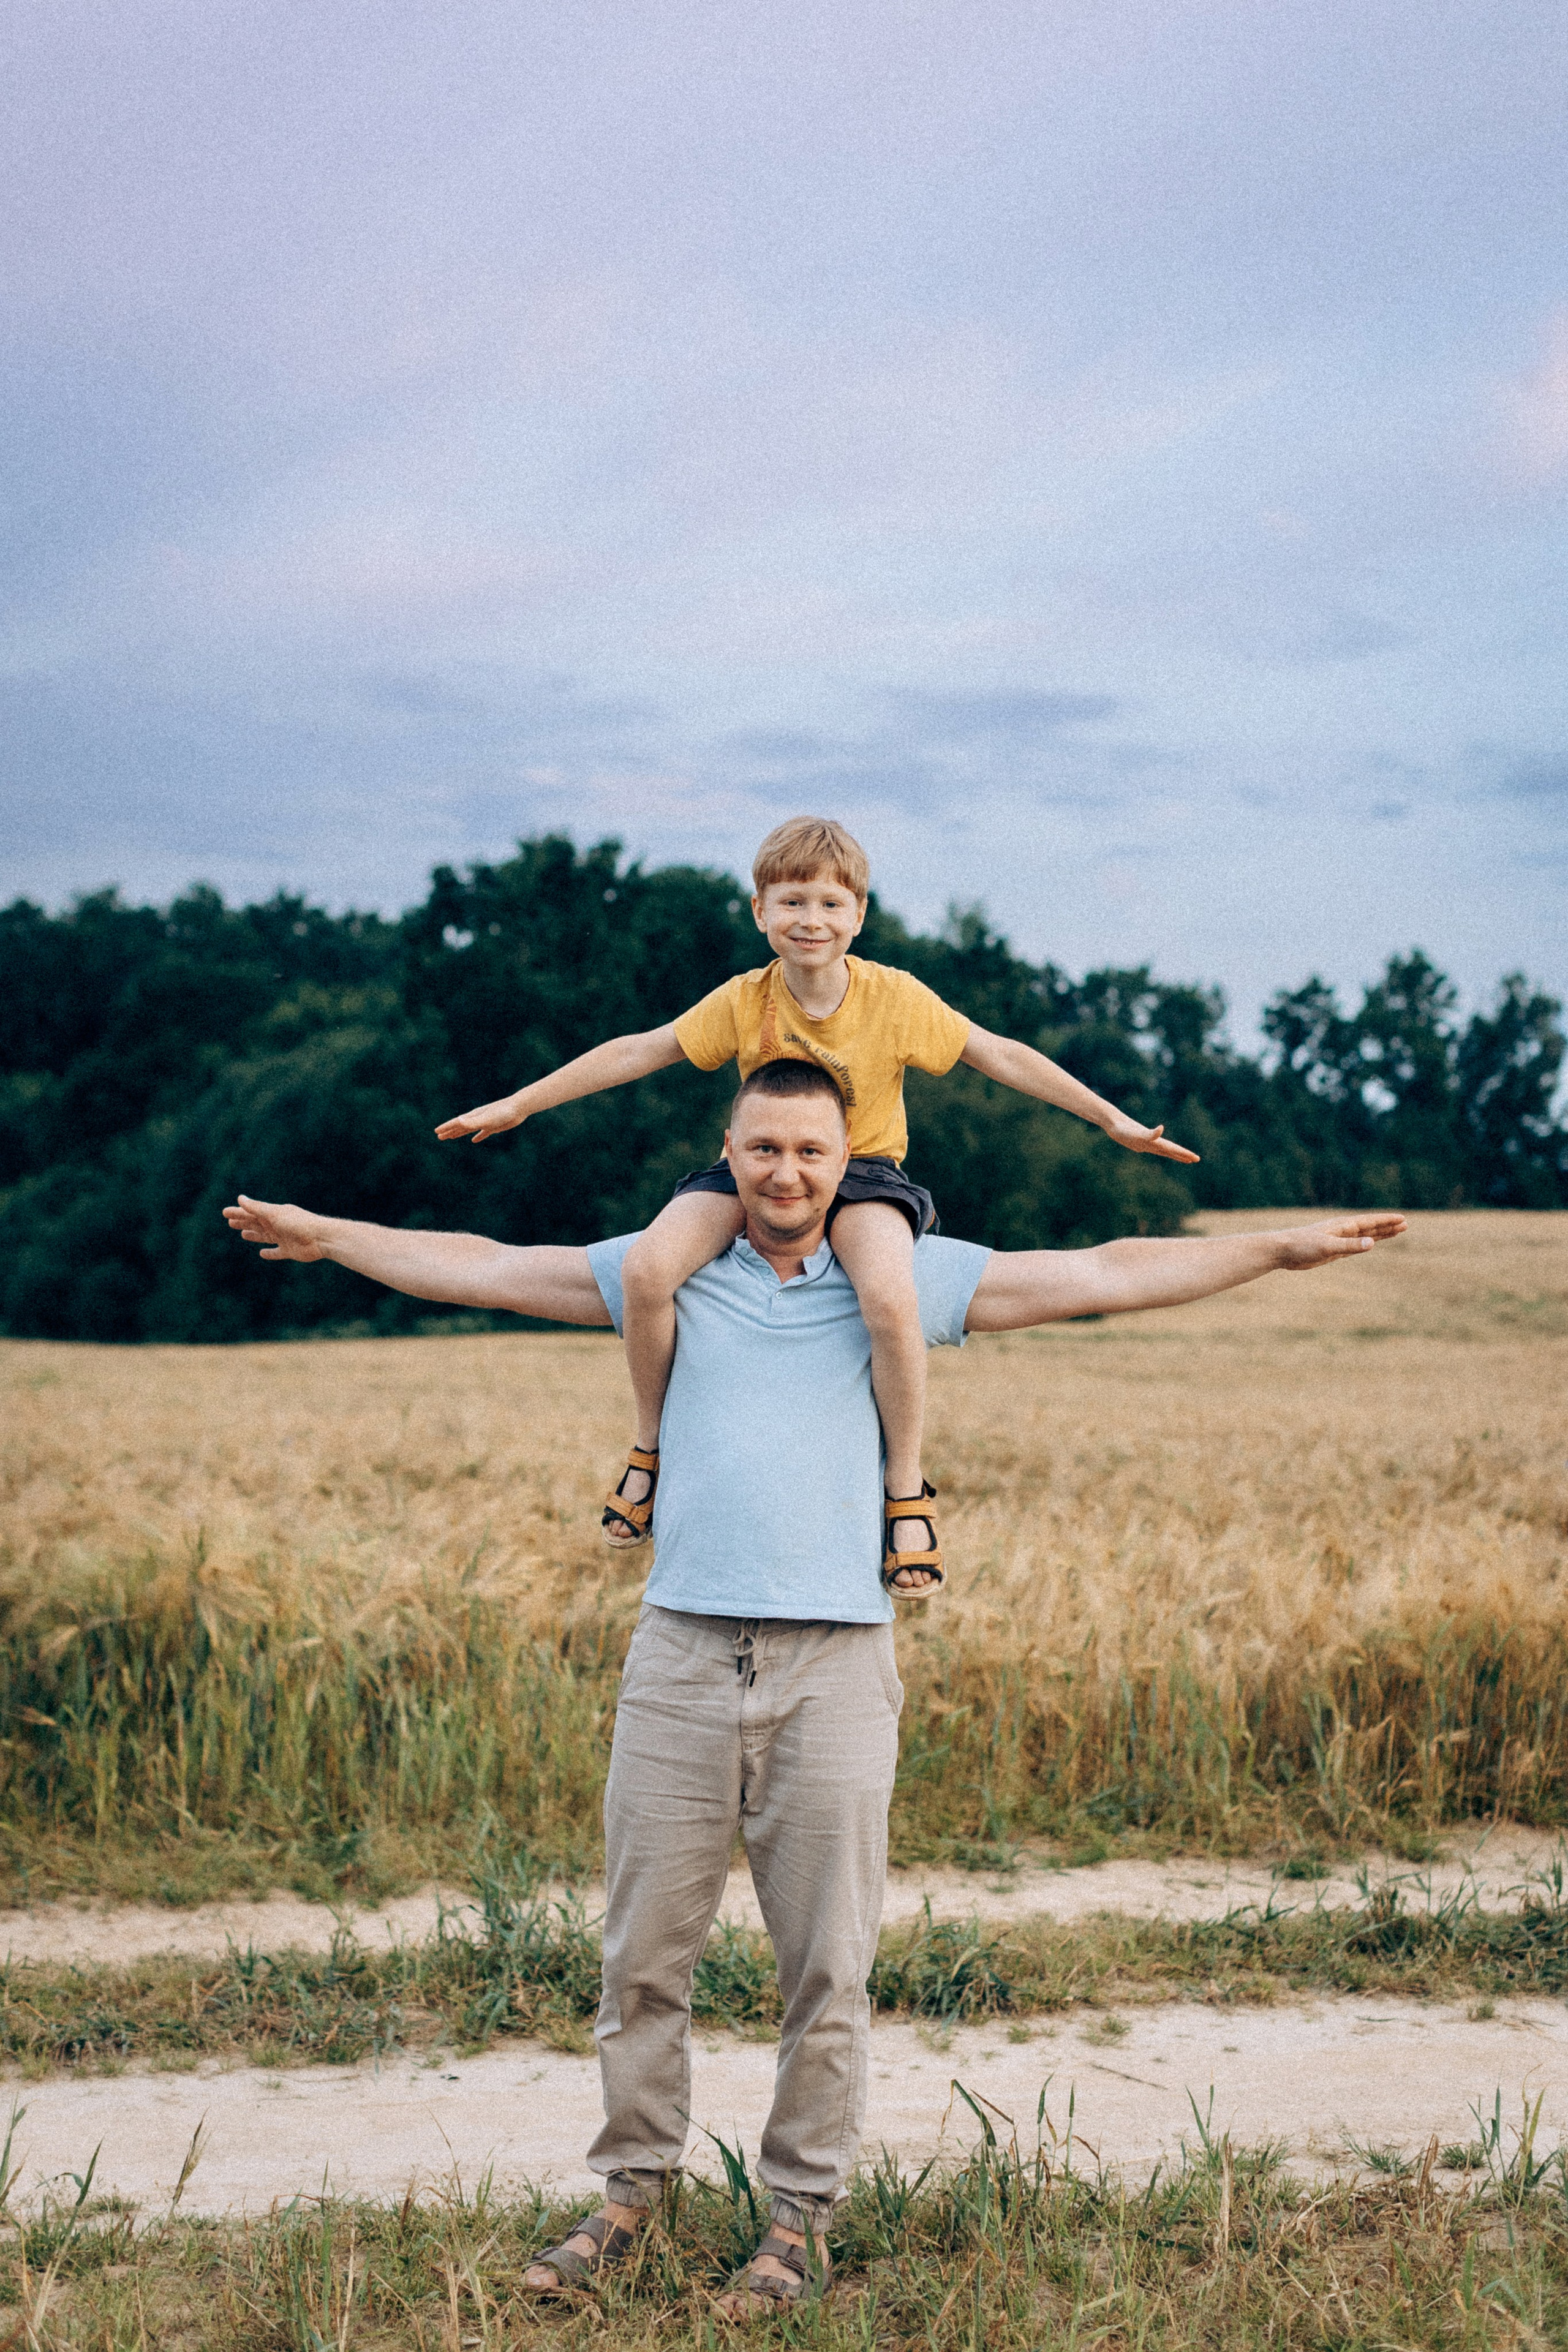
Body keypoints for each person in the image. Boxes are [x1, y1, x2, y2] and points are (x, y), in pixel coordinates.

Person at [225, 1059, 1403, 2320]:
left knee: (824, 1972)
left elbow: (1102, 1271)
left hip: (836, 1662)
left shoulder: (895, 1279)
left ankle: (795, 2223)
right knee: (639, 1961)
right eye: (761, 1149)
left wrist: (1275, 1248)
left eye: (809, 1152)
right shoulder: (667, 1273)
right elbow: (481, 1262)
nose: (785, 1174)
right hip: (679, 1655)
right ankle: (628, 2196)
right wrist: (329, 1236)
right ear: (723, 1155)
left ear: (848, 1163)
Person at [433, 815, 1199, 1590]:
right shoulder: (743, 999)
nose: (811, 921)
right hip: (760, 1169)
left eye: (831, 905)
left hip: (863, 1174)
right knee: (644, 1270)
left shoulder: (893, 997)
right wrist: (519, 1104)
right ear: (760, 910)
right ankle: (648, 1448)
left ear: (858, 917)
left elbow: (996, 1053)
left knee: (894, 1303)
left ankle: (903, 1487)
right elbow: (643, 1048)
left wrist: (1111, 1120)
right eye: (793, 902)